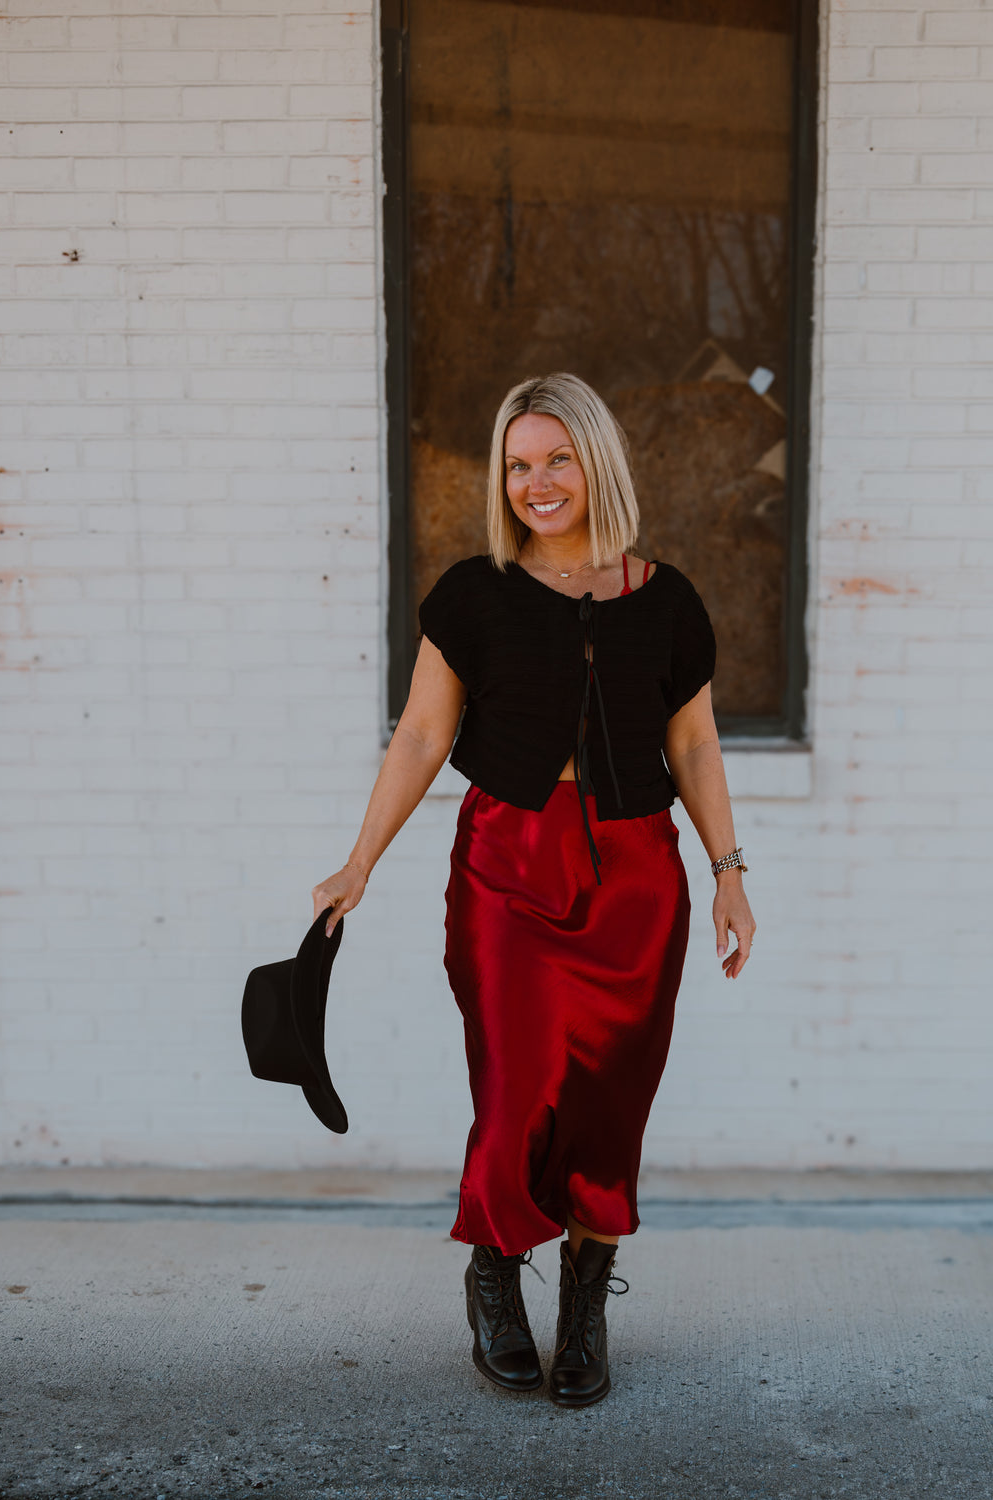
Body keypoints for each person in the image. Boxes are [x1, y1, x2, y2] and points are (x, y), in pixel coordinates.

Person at [311, 372, 756, 1408]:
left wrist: (730, 873)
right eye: (518, 464)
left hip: (639, 877)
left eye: (557, 458)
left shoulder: (670, 601)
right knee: (514, 1092)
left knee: (610, 1105)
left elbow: (691, 740)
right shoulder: (474, 596)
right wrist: (359, 859)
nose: (536, 482)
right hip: (508, 866)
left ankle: (587, 1304)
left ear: (595, 462)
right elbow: (423, 733)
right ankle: (494, 1275)